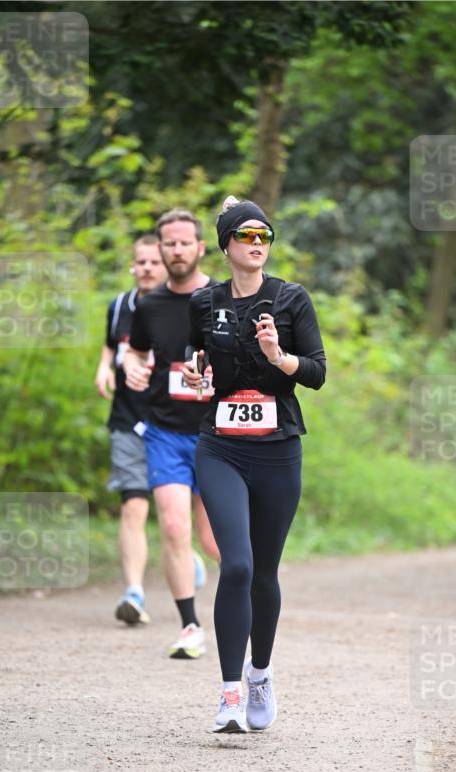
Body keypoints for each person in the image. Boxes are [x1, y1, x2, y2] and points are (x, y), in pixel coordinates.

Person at [183, 196, 326, 732]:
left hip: (278, 447)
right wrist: (198, 379)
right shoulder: (204, 302)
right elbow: (196, 358)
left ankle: (259, 674)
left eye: (264, 237)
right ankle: (228, 697)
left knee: (263, 572)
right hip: (221, 444)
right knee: (236, 565)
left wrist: (277, 357)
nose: (257, 245)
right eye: (246, 236)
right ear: (226, 245)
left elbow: (314, 371)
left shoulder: (291, 300)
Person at [124, 209, 219, 659]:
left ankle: (254, 603)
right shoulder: (149, 305)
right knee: (174, 526)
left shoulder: (224, 298)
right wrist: (132, 370)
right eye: (169, 243)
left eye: (185, 242)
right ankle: (190, 625)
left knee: (214, 541)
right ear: (159, 250)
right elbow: (135, 352)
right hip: (165, 432)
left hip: (217, 433)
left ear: (200, 247)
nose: (177, 250)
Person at [95, 234, 166, 626]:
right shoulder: (120, 305)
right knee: (134, 504)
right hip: (127, 419)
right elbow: (112, 345)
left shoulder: (182, 307)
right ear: (132, 266)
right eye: (141, 262)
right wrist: (104, 367)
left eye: (154, 262)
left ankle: (185, 560)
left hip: (173, 422)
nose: (147, 269)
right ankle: (134, 593)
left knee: (179, 515)